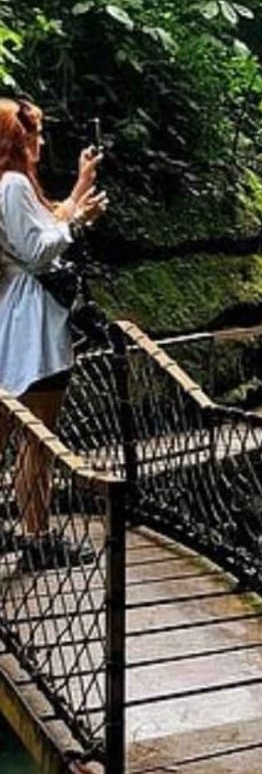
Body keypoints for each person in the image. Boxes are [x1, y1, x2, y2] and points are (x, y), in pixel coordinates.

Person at [0, 98, 107, 569]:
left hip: (19, 319)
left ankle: (27, 533)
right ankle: (37, 539)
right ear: (15, 140)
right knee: (38, 439)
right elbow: (40, 250)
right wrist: (80, 220)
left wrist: (81, 186)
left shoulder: (12, 186)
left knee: (13, 430)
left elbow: (47, 224)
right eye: (33, 135)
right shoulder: (13, 184)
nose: (40, 143)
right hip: (35, 326)